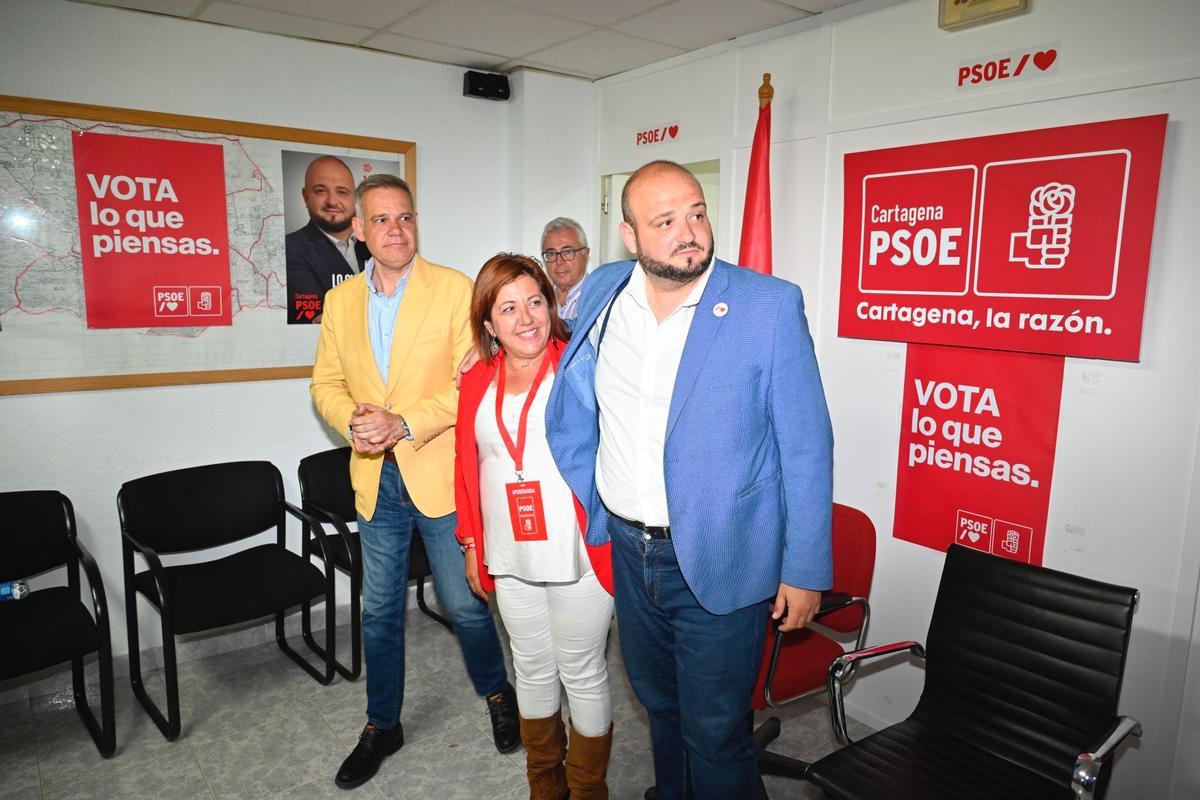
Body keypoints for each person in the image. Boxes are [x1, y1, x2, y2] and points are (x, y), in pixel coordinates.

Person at [544, 160, 834, 799]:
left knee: (715, 730)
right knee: (661, 708)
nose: (690, 232)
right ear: (629, 235)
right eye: (666, 221)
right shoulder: (601, 293)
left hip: (720, 555)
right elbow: (562, 368)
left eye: (697, 213)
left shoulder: (767, 305)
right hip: (629, 548)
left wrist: (806, 567)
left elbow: (807, 446)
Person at [310, 173, 519, 790]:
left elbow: (470, 384)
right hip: (376, 480)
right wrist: (353, 421)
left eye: (405, 217)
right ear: (358, 231)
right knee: (378, 610)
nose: (395, 229)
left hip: (439, 472)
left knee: (465, 601)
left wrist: (403, 422)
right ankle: (383, 725)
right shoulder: (340, 301)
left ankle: (496, 692)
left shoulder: (455, 290)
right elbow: (325, 384)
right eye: (381, 220)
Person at [455, 253, 616, 800]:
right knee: (529, 666)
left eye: (535, 301)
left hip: (578, 550)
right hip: (508, 550)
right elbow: (467, 467)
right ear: (488, 324)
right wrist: (471, 544)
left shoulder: (581, 366)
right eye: (508, 307)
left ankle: (588, 788)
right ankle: (545, 787)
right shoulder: (475, 379)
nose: (526, 317)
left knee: (581, 670)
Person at [286, 155, 369, 324]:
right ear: (305, 196)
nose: (332, 201)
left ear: (355, 197)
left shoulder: (376, 246)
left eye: (342, 192)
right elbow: (318, 319)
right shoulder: (288, 249)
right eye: (320, 191)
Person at [540, 217, 590, 324]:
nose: (559, 261)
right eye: (552, 254)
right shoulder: (538, 300)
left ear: (585, 253)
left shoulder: (599, 300)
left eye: (567, 252)